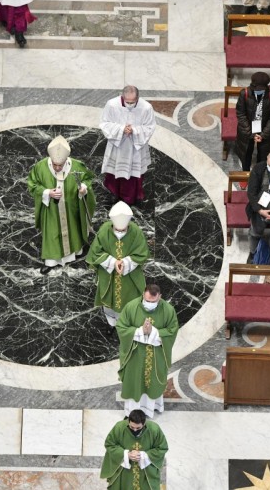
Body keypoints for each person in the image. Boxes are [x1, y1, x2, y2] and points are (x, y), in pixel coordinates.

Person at [27, 135, 96, 274]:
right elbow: (32, 185)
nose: (57, 168)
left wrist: (83, 187)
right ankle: (51, 261)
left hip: (71, 208)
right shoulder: (40, 167)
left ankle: (73, 254)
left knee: (73, 231)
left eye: (60, 165)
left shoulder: (76, 165)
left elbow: (88, 179)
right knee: (52, 233)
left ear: (66, 160)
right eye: (55, 164)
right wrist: (47, 192)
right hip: (51, 209)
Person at [116, 285, 179, 418]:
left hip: (157, 355)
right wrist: (140, 331)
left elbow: (172, 330)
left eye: (153, 302)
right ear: (143, 294)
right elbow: (121, 327)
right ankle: (132, 411)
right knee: (135, 382)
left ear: (160, 297)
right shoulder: (131, 307)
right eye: (147, 300)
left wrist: (153, 332)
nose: (149, 304)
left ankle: (151, 408)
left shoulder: (168, 310)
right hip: (135, 355)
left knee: (153, 382)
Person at [86, 202, 149, 327]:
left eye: (123, 229)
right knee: (109, 301)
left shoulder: (135, 231)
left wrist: (125, 263)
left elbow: (142, 253)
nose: (120, 230)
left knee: (128, 300)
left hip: (129, 275)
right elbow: (95, 252)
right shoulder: (104, 229)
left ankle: (125, 324)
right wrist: (113, 262)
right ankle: (112, 324)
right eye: (117, 228)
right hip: (108, 274)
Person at [99, 86, 156, 206]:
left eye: (132, 102)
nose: (129, 105)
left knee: (133, 176)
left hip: (136, 147)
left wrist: (134, 130)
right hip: (118, 146)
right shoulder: (112, 105)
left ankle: (131, 198)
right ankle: (113, 193)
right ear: (122, 97)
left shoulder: (146, 107)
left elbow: (150, 127)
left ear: (138, 98)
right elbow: (105, 123)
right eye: (127, 102)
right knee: (115, 173)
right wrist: (121, 129)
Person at [100, 410, 168, 490]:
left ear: (144, 423)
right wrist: (126, 454)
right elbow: (110, 444)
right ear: (128, 421)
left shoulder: (154, 429)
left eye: (138, 428)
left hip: (145, 470)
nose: (135, 430)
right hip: (124, 470)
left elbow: (162, 447)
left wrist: (144, 455)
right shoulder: (119, 427)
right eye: (132, 427)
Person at [235, 71, 270, 171]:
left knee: (264, 154)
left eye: (262, 90)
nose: (259, 92)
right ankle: (245, 173)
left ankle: (259, 172)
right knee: (246, 153)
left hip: (265, 128)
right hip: (247, 128)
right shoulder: (244, 93)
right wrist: (250, 133)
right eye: (257, 90)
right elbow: (241, 115)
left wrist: (263, 135)